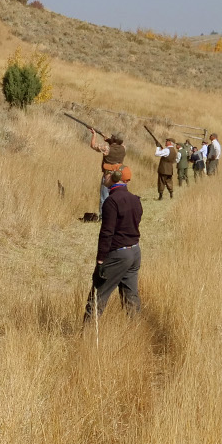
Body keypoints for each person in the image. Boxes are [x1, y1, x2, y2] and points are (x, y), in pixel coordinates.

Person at [84, 166, 142, 321]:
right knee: (131, 299)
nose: (104, 177)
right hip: (135, 252)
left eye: (107, 174)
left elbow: (107, 233)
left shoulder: (111, 201)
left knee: (97, 297)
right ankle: (136, 332)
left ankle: (87, 337)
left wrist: (101, 259)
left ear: (115, 177)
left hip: (118, 254)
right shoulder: (135, 200)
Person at [89, 131, 126, 206]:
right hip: (119, 176)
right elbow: (118, 144)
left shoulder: (107, 148)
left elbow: (93, 145)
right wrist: (109, 140)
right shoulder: (124, 148)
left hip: (108, 176)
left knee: (104, 198)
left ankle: (103, 216)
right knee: (118, 197)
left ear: (114, 139)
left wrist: (94, 135)